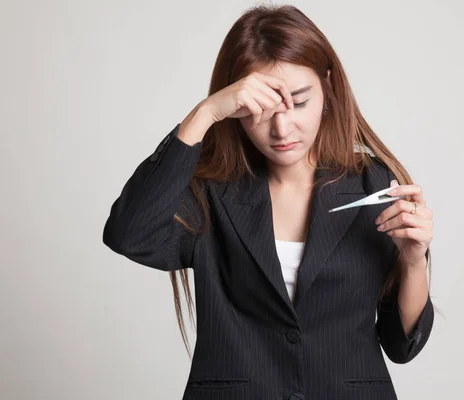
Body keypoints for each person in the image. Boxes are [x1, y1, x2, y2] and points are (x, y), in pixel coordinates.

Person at [102, 4, 434, 400]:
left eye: (298, 102)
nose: (281, 128)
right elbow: (129, 236)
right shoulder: (210, 192)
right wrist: (203, 115)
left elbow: (401, 346)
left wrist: (414, 262)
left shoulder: (373, 184)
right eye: (260, 108)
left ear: (327, 87)